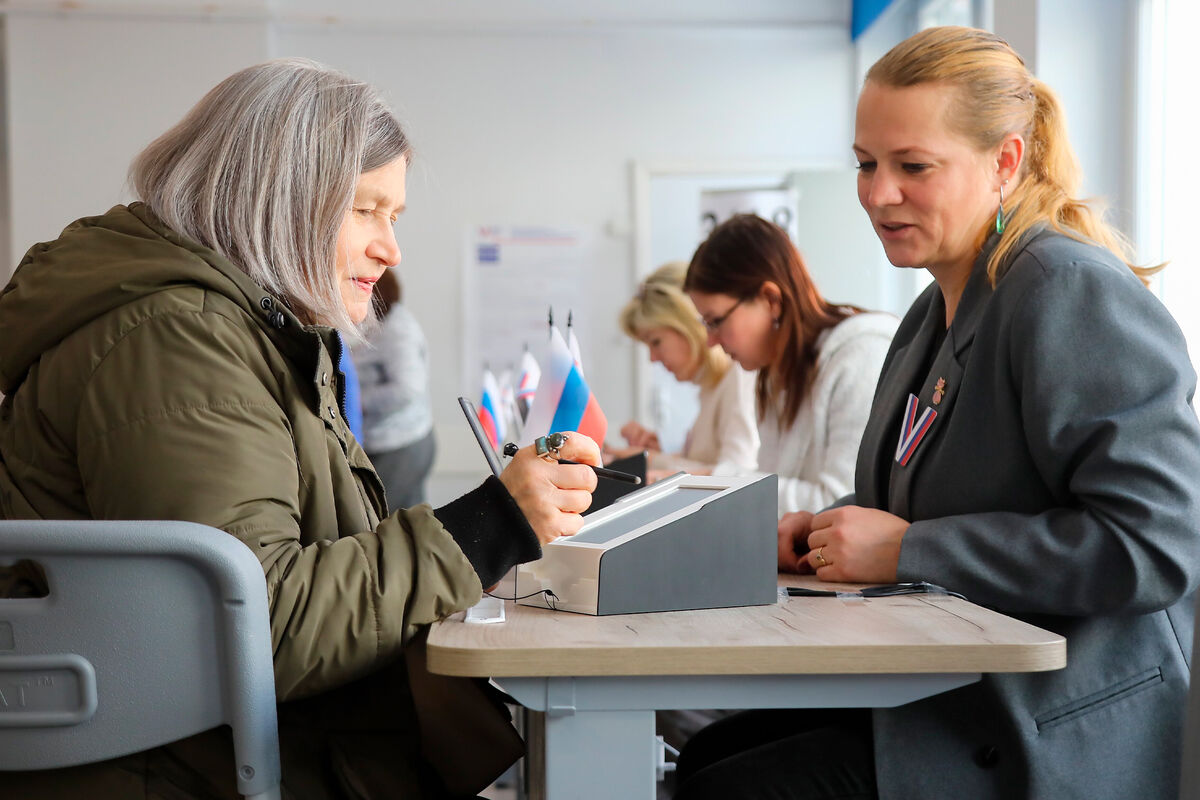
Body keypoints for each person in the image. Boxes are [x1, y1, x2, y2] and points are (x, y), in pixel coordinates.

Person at [0, 58, 600, 799]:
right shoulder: (177, 341)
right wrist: (487, 525)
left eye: (395, 216)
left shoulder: (233, 330)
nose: (391, 248)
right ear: (276, 198)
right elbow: (261, 627)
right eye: (365, 209)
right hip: (190, 772)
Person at [675, 26, 1200, 800]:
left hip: (1046, 725)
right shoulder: (934, 312)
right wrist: (830, 526)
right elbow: (943, 500)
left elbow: (1153, 547)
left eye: (913, 167)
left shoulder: (1064, 291)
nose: (878, 193)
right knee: (705, 756)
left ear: (1006, 161)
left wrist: (912, 552)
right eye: (866, 164)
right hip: (950, 692)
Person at [683, 214, 897, 517]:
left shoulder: (861, 356)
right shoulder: (774, 375)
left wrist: (717, 484)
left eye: (716, 321)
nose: (710, 341)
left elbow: (845, 503)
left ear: (771, 299)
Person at [614, 261, 758, 480]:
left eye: (656, 342)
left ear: (687, 327)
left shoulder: (738, 379)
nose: (653, 358)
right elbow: (710, 466)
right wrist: (658, 454)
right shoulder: (712, 388)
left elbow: (735, 479)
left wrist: (650, 459)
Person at [352, 269, 436, 508]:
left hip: (401, 443)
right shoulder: (376, 322)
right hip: (389, 440)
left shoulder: (397, 330)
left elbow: (407, 388)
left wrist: (357, 402)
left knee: (384, 518)